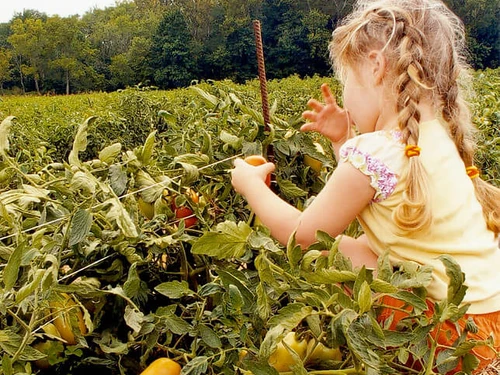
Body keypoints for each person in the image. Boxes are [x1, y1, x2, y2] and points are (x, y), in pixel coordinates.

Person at [230, 0, 500, 372]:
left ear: (375, 67)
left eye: (347, 83)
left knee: (328, 253)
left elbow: (302, 234)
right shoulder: (436, 137)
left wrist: (250, 186)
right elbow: (373, 188)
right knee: (361, 249)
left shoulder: (376, 150)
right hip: (485, 328)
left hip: (443, 337)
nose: (346, 98)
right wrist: (344, 140)